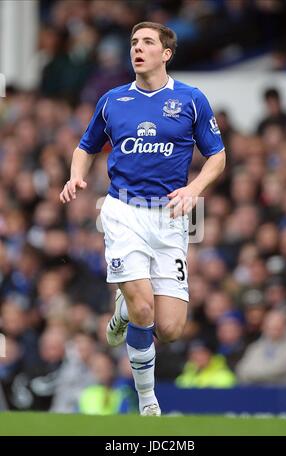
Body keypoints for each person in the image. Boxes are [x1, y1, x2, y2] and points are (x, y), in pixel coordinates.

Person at [60, 21, 226, 416]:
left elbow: (217, 156)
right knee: (144, 310)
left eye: (147, 42)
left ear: (165, 54)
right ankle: (148, 401)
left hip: (170, 216)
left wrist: (193, 189)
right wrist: (75, 174)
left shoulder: (190, 99)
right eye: (134, 42)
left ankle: (121, 312)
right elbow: (86, 146)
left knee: (169, 328)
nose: (137, 48)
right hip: (123, 211)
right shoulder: (113, 100)